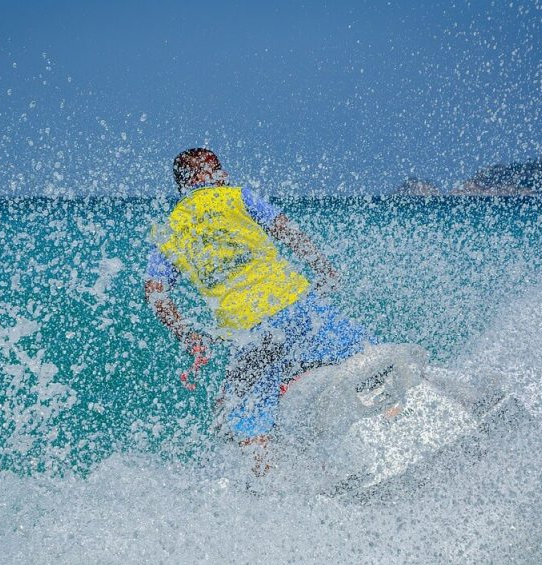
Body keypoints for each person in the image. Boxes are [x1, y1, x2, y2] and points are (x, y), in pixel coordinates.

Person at [144, 148, 373, 475]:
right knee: (366, 354)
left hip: (253, 332)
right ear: (205, 177)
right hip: (299, 306)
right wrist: (323, 268)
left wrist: (187, 335)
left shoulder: (170, 230)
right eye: (219, 170)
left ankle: (267, 486)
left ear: (183, 186)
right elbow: (286, 230)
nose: (224, 175)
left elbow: (155, 293)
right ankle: (401, 413)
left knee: (242, 417)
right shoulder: (238, 197)